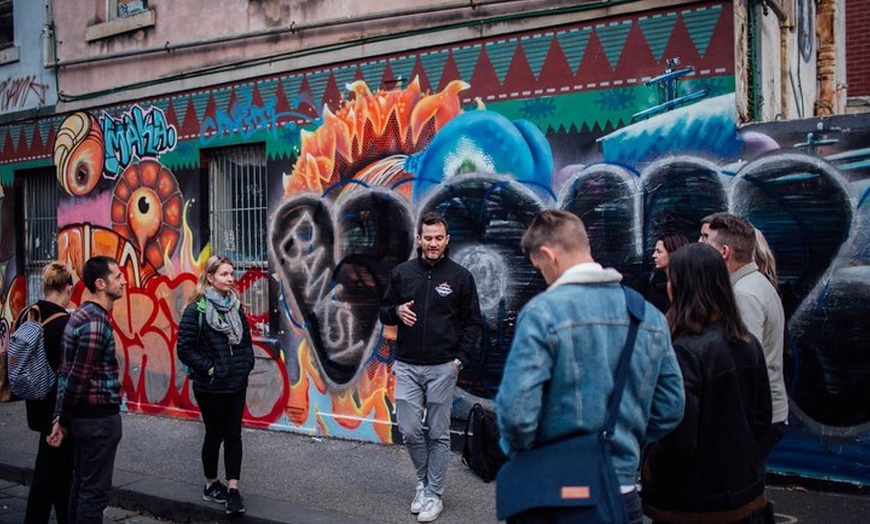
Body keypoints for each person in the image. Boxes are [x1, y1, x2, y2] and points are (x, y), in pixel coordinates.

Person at [495, 210, 685, 524]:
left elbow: (517, 415)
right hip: (622, 494)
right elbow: (671, 407)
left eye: (539, 268)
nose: (543, 276)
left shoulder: (543, 313)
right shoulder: (648, 316)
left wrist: (523, 452)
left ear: (548, 255)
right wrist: (626, 439)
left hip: (553, 493)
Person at [642, 243, 773, 523]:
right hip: (744, 493)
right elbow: (762, 419)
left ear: (681, 287)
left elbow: (677, 436)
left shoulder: (684, 351)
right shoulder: (747, 342)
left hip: (694, 502)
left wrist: (650, 467)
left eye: (671, 280)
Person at [379, 212, 483, 523]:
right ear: (419, 239)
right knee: (410, 430)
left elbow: (473, 323)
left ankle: (434, 494)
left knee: (438, 434)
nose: (433, 243)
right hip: (408, 365)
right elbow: (384, 312)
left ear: (446, 240)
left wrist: (459, 361)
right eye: (428, 238)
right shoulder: (402, 273)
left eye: (439, 238)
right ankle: (423, 483)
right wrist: (396, 311)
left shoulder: (461, 277)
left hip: (443, 368)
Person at [48, 255, 126, 524]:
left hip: (86, 420)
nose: (124, 280)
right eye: (118, 276)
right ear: (101, 283)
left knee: (81, 489)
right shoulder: (95, 321)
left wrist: (61, 417)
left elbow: (65, 374)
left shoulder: (80, 314)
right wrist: (63, 420)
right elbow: (77, 378)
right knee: (93, 496)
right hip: (97, 421)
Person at [176, 255, 255, 515]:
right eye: (224, 274)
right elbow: (185, 350)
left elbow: (245, 342)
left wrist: (245, 366)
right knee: (214, 434)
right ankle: (211, 484)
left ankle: (233, 490)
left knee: (234, 435)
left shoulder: (236, 306)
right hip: (210, 386)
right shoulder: (195, 310)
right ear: (210, 277)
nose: (230, 279)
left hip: (236, 383)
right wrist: (211, 368)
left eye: (232, 274)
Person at [705, 213, 787, 459]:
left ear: (724, 252)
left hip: (755, 417)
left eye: (708, 243)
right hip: (765, 413)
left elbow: (745, 365)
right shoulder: (755, 283)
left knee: (741, 489)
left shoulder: (743, 295)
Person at [15, 262, 74, 524]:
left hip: (34, 402)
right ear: (68, 288)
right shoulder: (65, 324)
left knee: (57, 471)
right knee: (50, 473)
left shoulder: (27, 315)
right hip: (57, 412)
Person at [645, 233, 689, 313]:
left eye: (659, 252)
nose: (654, 255)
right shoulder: (653, 280)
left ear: (672, 253)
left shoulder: (688, 284)